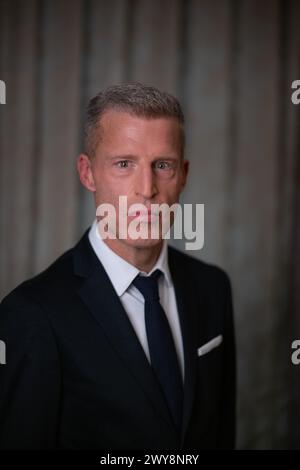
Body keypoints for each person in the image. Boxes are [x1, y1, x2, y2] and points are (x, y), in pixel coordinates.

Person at [0, 83, 236, 450]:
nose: (147, 188)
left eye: (163, 165)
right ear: (88, 173)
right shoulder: (31, 314)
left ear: (184, 174)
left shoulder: (212, 287)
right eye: (124, 164)